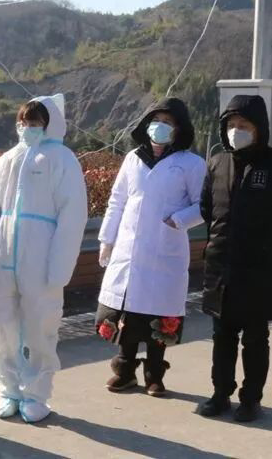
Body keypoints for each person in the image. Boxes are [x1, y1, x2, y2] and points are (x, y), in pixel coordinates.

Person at [0, 94, 87, 423]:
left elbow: (72, 217)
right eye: (23, 121)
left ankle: (36, 394)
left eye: (34, 122)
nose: (27, 127)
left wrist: (60, 267)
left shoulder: (62, 159)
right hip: (4, 257)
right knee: (1, 325)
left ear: (50, 125)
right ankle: (8, 389)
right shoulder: (8, 159)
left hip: (41, 258)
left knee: (40, 326)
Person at [96, 98, 206, 397]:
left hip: (165, 249)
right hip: (129, 250)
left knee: (159, 317)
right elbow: (117, 200)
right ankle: (124, 371)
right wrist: (107, 240)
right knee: (127, 314)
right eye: (156, 120)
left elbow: (203, 205)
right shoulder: (133, 158)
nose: (160, 126)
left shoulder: (191, 164)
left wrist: (178, 220)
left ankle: (155, 375)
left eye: (168, 122)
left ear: (179, 129)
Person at [197, 95, 272, 423]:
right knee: (222, 337)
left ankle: (251, 400)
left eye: (244, 125)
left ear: (259, 128)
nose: (236, 131)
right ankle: (220, 394)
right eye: (231, 124)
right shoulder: (217, 163)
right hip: (220, 268)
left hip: (258, 270)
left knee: (255, 339)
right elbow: (207, 209)